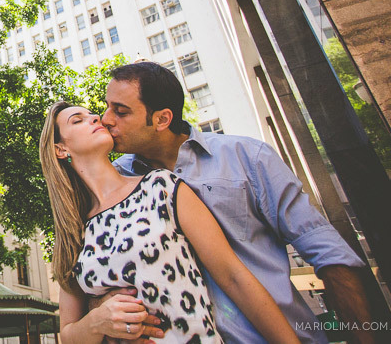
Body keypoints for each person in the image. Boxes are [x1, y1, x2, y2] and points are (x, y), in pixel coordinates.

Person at [93, 62, 372, 344]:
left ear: (162, 119)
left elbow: (329, 254)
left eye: (121, 111)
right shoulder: (115, 183)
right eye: (107, 107)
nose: (105, 119)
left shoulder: (248, 157)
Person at [40, 100, 300, 344]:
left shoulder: (161, 186)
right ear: (60, 149)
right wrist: (97, 322)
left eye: (91, 113)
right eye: (78, 120)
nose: (95, 117)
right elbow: (68, 333)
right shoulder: (72, 229)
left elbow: (232, 276)